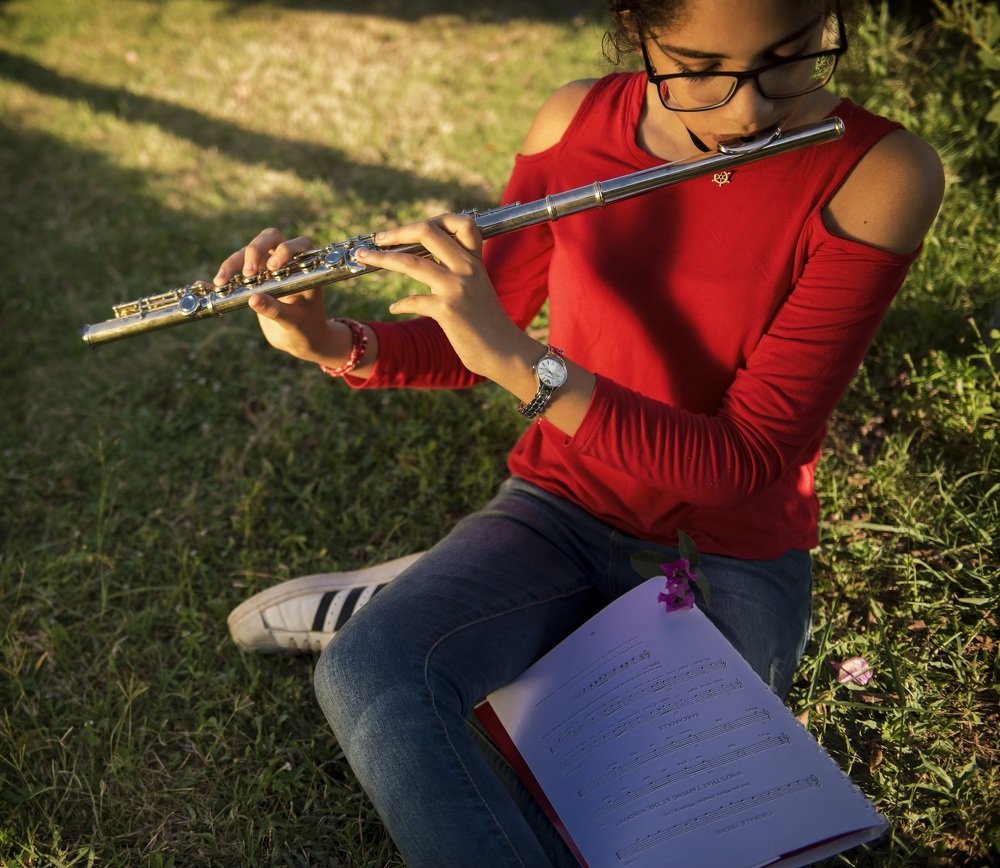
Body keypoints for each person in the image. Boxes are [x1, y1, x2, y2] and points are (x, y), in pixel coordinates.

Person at [213, 0, 943, 864]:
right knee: (370, 672)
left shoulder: (880, 172)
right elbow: (477, 338)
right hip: (557, 508)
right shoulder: (576, 121)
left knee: (633, 825)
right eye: (700, 68)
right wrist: (331, 341)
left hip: (727, 554)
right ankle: (448, 598)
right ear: (637, 31)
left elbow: (745, 463)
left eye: (791, 56)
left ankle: (450, 595)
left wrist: (520, 361)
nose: (751, 110)